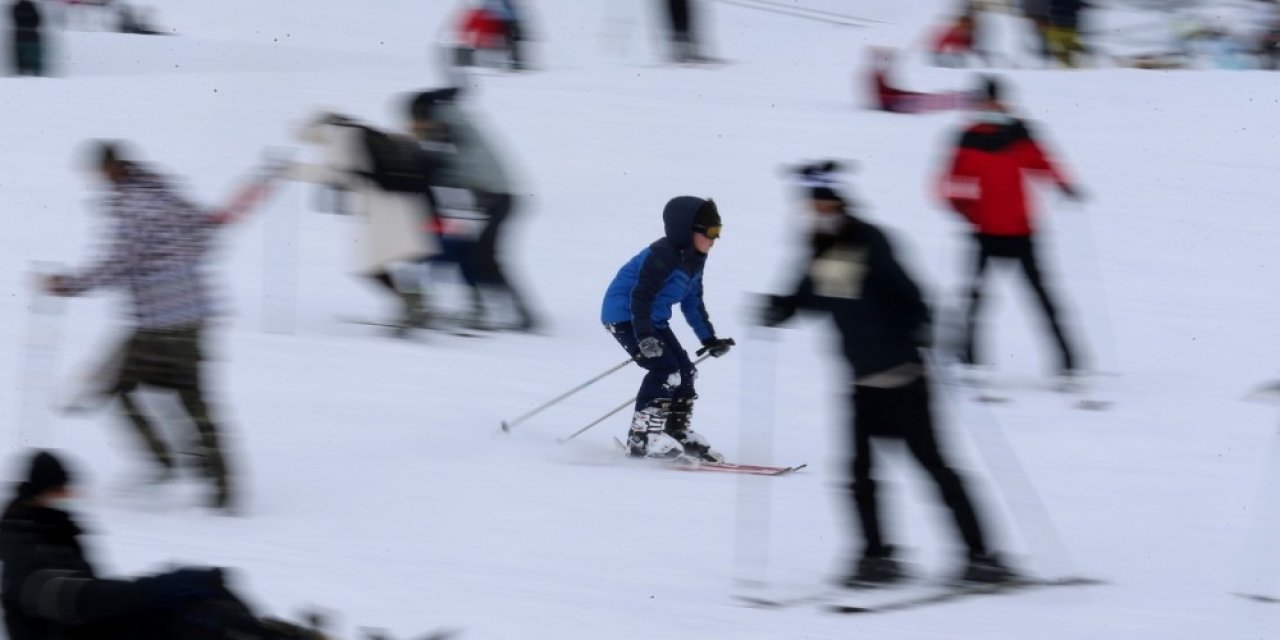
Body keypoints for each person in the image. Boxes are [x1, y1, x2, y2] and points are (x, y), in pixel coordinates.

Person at [759, 162, 1013, 586]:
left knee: (933, 467)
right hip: (862, 383)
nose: (817, 211)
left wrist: (921, 326)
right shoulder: (821, 248)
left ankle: (981, 558)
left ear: (840, 203)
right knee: (859, 474)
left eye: (824, 203)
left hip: (903, 378)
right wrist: (778, 309)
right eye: (812, 205)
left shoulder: (869, 240)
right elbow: (812, 298)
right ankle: (876, 558)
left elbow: (909, 295)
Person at [41, 142, 235, 512]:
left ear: (110, 169)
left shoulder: (132, 207)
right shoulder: (166, 192)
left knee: (116, 385)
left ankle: (162, 460)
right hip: (195, 313)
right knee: (194, 398)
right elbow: (204, 230)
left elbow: (118, 263)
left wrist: (68, 285)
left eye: (97, 173)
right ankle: (224, 488)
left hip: (157, 322)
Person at [0, 450, 322, 640]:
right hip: (79, 631)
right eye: (63, 490)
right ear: (44, 492)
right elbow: (82, 601)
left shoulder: (55, 531)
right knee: (185, 618)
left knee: (201, 604)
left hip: (94, 628)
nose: (71, 497)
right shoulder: (24, 551)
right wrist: (159, 588)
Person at [938, 76, 1083, 381]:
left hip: (1021, 231)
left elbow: (1042, 162)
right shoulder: (967, 136)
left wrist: (1064, 184)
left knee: (1042, 298)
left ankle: (1069, 364)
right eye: (984, 101)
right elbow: (948, 181)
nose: (990, 105)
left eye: (994, 99)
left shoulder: (1021, 132)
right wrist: (964, 209)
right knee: (974, 299)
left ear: (1002, 100)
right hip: (984, 231)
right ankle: (969, 361)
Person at [600, 196, 733, 462]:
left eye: (718, 231)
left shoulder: (695, 259)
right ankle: (642, 437)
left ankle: (675, 431)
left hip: (653, 319)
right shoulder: (663, 255)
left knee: (686, 371)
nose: (715, 238)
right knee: (665, 369)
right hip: (625, 316)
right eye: (710, 231)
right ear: (687, 230)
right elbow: (640, 296)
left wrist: (709, 339)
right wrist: (644, 336)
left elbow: (692, 301)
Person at [289, 112, 438, 334]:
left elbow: (337, 174)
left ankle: (413, 307)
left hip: (382, 206)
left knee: (370, 264)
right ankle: (416, 305)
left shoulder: (338, 136)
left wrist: (291, 170)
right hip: (398, 203)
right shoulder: (361, 131)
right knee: (384, 260)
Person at [409, 88, 539, 332]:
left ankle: (521, 315)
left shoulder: (450, 124)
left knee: (483, 258)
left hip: (499, 199)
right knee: (480, 256)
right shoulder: (453, 123)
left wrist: (423, 162)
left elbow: (447, 163)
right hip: (497, 198)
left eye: (417, 119)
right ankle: (511, 312)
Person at [866, 47, 968, 114]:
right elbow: (885, 95)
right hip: (895, 103)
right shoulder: (876, 76)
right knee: (931, 100)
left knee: (928, 98)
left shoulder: (877, 76)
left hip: (895, 101)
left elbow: (887, 90)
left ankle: (958, 98)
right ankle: (959, 99)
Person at [10, 0, 43, 76]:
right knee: (33, 57)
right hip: (31, 37)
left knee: (22, 58)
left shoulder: (17, 7)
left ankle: (22, 71)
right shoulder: (31, 6)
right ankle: (35, 73)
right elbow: (37, 20)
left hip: (21, 37)